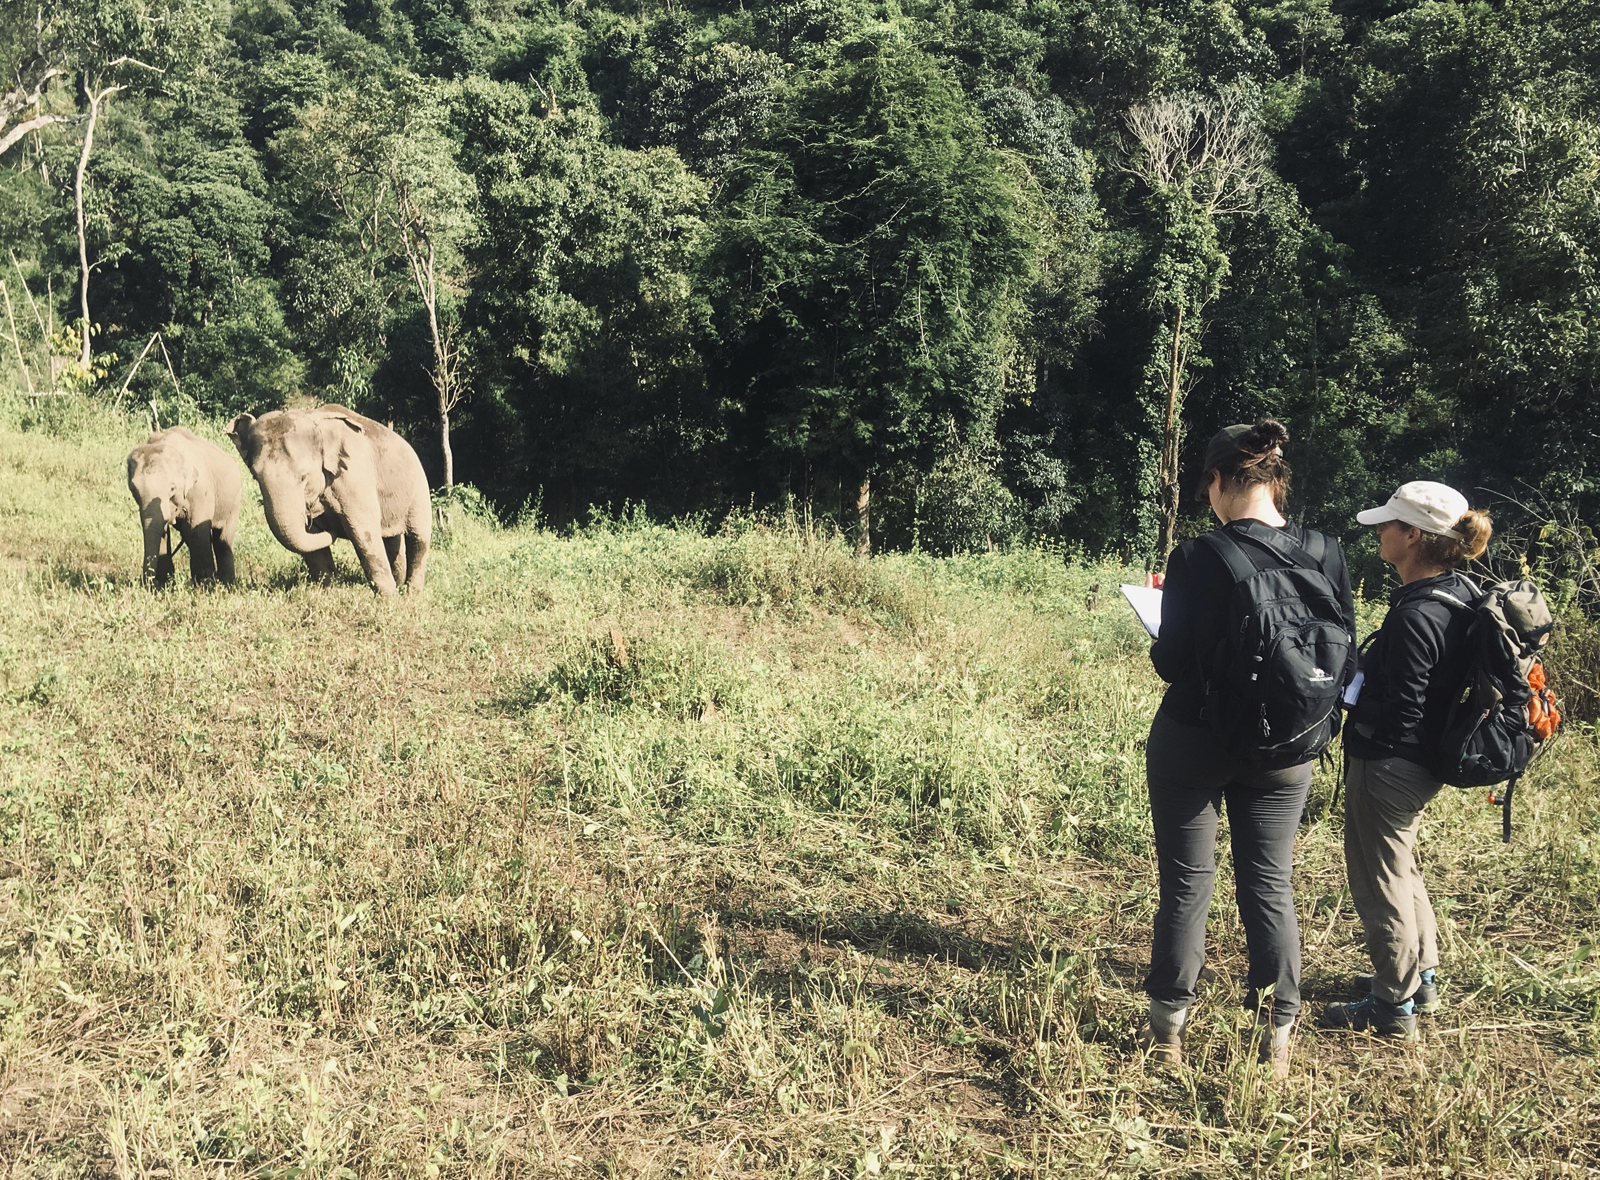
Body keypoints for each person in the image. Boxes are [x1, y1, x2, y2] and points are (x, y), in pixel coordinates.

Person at [1140, 419, 1355, 1078]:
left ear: (1215, 481)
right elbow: (1339, 646)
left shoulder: (1198, 558)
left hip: (1196, 740)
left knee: (1186, 886)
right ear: (1274, 478)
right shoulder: (1326, 550)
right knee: (1269, 885)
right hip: (1290, 746)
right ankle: (1277, 1040)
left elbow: (1173, 662)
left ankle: (1168, 1036)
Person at [1322, 481, 1492, 1038]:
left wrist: (1363, 719)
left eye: (1389, 524)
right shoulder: (1461, 593)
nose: (1380, 532)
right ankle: (1424, 978)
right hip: (1426, 762)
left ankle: (1392, 1004)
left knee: (1379, 879)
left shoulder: (1419, 613)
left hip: (1393, 762)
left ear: (1413, 536)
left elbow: (1407, 707)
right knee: (1401, 866)